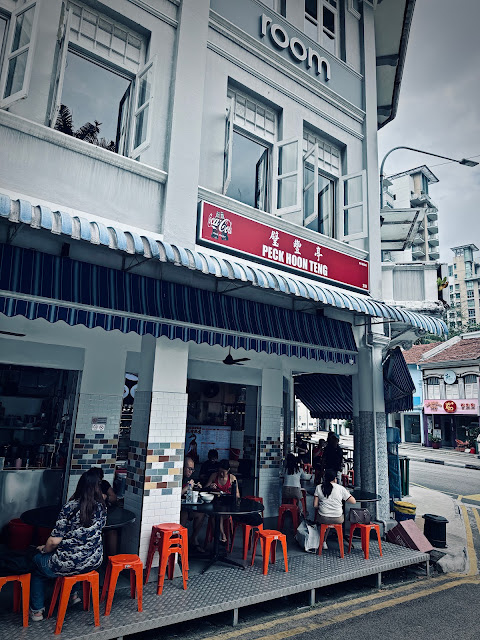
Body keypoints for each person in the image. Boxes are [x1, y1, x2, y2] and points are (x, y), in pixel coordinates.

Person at [29, 468, 107, 622]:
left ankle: (37, 611)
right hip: (94, 561)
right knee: (76, 562)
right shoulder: (102, 508)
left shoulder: (70, 507)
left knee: (37, 565)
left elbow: (53, 541)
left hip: (68, 563)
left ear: (80, 486)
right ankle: (73, 595)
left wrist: (43, 549)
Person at [313, 468, 356, 549]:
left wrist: (323, 506)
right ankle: (329, 541)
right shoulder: (341, 488)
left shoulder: (319, 487)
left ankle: (323, 541)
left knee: (325, 518)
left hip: (323, 517)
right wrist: (347, 493)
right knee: (338, 515)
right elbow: (353, 501)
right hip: (338, 518)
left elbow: (315, 505)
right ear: (335, 479)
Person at [206, 459, 240, 543]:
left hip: (227, 506)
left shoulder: (232, 478)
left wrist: (232, 490)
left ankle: (220, 536)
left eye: (223, 472)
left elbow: (238, 495)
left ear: (228, 470)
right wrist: (210, 486)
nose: (221, 474)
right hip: (215, 503)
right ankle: (219, 537)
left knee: (218, 514)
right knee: (214, 515)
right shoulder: (214, 476)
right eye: (220, 471)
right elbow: (205, 488)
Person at [180, 457, 205, 551]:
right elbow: (176, 496)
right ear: (183, 467)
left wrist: (197, 487)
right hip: (180, 508)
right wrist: (187, 487)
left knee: (201, 514)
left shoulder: (190, 478)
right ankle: (179, 543)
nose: (191, 472)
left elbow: (192, 493)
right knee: (184, 514)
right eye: (189, 469)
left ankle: (194, 538)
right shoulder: (178, 478)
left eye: (192, 469)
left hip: (189, 506)